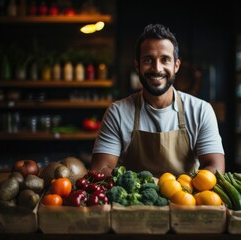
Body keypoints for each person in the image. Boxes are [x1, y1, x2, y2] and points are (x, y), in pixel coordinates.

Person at [91, 23, 225, 178]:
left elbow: (215, 166)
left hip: (185, 199)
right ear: (137, 66)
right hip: (134, 200)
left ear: (176, 65)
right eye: (148, 60)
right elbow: (100, 170)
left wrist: (178, 188)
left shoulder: (201, 110)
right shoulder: (117, 112)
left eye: (165, 59)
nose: (157, 68)